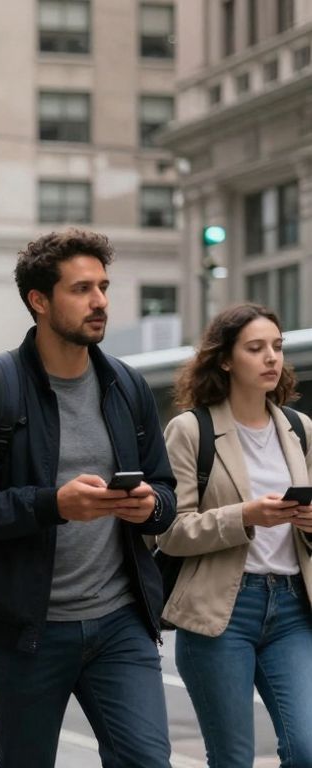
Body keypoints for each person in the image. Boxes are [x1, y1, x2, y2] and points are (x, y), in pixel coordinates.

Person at [0, 228, 177, 767]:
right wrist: (54, 504)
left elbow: (165, 487)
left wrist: (150, 507)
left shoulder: (126, 386)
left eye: (104, 287)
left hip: (121, 621)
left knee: (147, 760)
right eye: (82, 289)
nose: (100, 302)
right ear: (38, 301)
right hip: (27, 630)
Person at [158, 303, 312, 766]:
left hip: (292, 609)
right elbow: (170, 530)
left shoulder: (301, 429)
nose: (271, 358)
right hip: (221, 613)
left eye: (277, 347)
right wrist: (244, 516)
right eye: (256, 348)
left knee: (305, 749)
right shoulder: (190, 430)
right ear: (225, 359)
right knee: (233, 758)